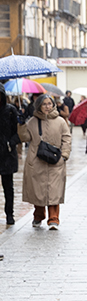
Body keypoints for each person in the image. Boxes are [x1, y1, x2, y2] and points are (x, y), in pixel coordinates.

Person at [17, 94, 72, 230]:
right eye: (44, 104)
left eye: (49, 104)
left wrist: (64, 156)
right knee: (38, 191)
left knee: (54, 191)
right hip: (37, 161)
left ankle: (54, 219)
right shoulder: (33, 121)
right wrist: (21, 124)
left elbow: (67, 138)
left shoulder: (60, 121)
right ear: (39, 106)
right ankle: (38, 216)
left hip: (55, 161)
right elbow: (24, 138)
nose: (47, 106)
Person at [1, 87, 20, 225]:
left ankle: (9, 213)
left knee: (8, 186)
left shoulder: (10, 110)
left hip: (7, 154)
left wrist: (11, 143)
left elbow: (18, 132)